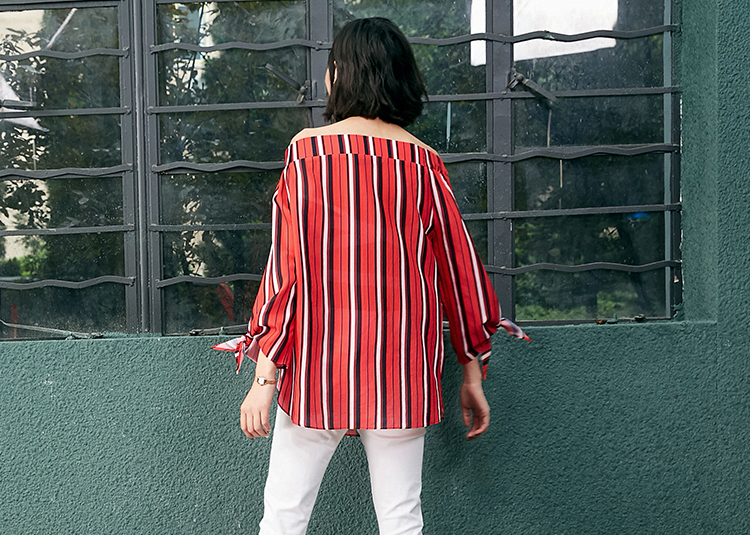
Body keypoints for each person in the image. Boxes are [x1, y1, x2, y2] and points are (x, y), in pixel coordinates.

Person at [213, 17, 531, 535]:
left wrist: (264, 377)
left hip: (317, 368)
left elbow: (285, 274)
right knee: (402, 522)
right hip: (401, 371)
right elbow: (459, 273)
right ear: (401, 77)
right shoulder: (424, 162)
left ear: (340, 73)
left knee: (284, 519)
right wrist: (472, 375)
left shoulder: (307, 152)